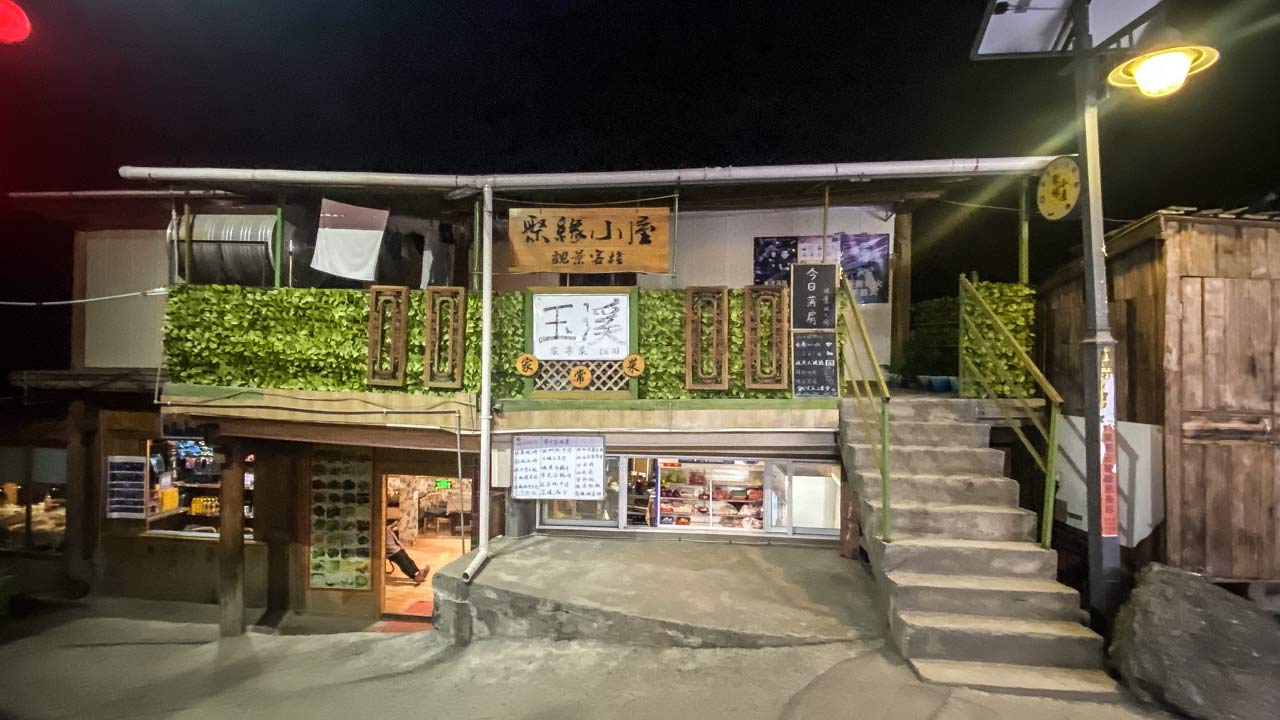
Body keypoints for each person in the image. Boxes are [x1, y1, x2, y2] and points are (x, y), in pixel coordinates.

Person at [385, 512, 429, 585]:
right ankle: (414, 576)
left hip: (395, 549)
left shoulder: (388, 529)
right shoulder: (385, 529)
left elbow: (392, 527)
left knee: (408, 559)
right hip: (390, 551)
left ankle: (418, 572)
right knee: (403, 561)